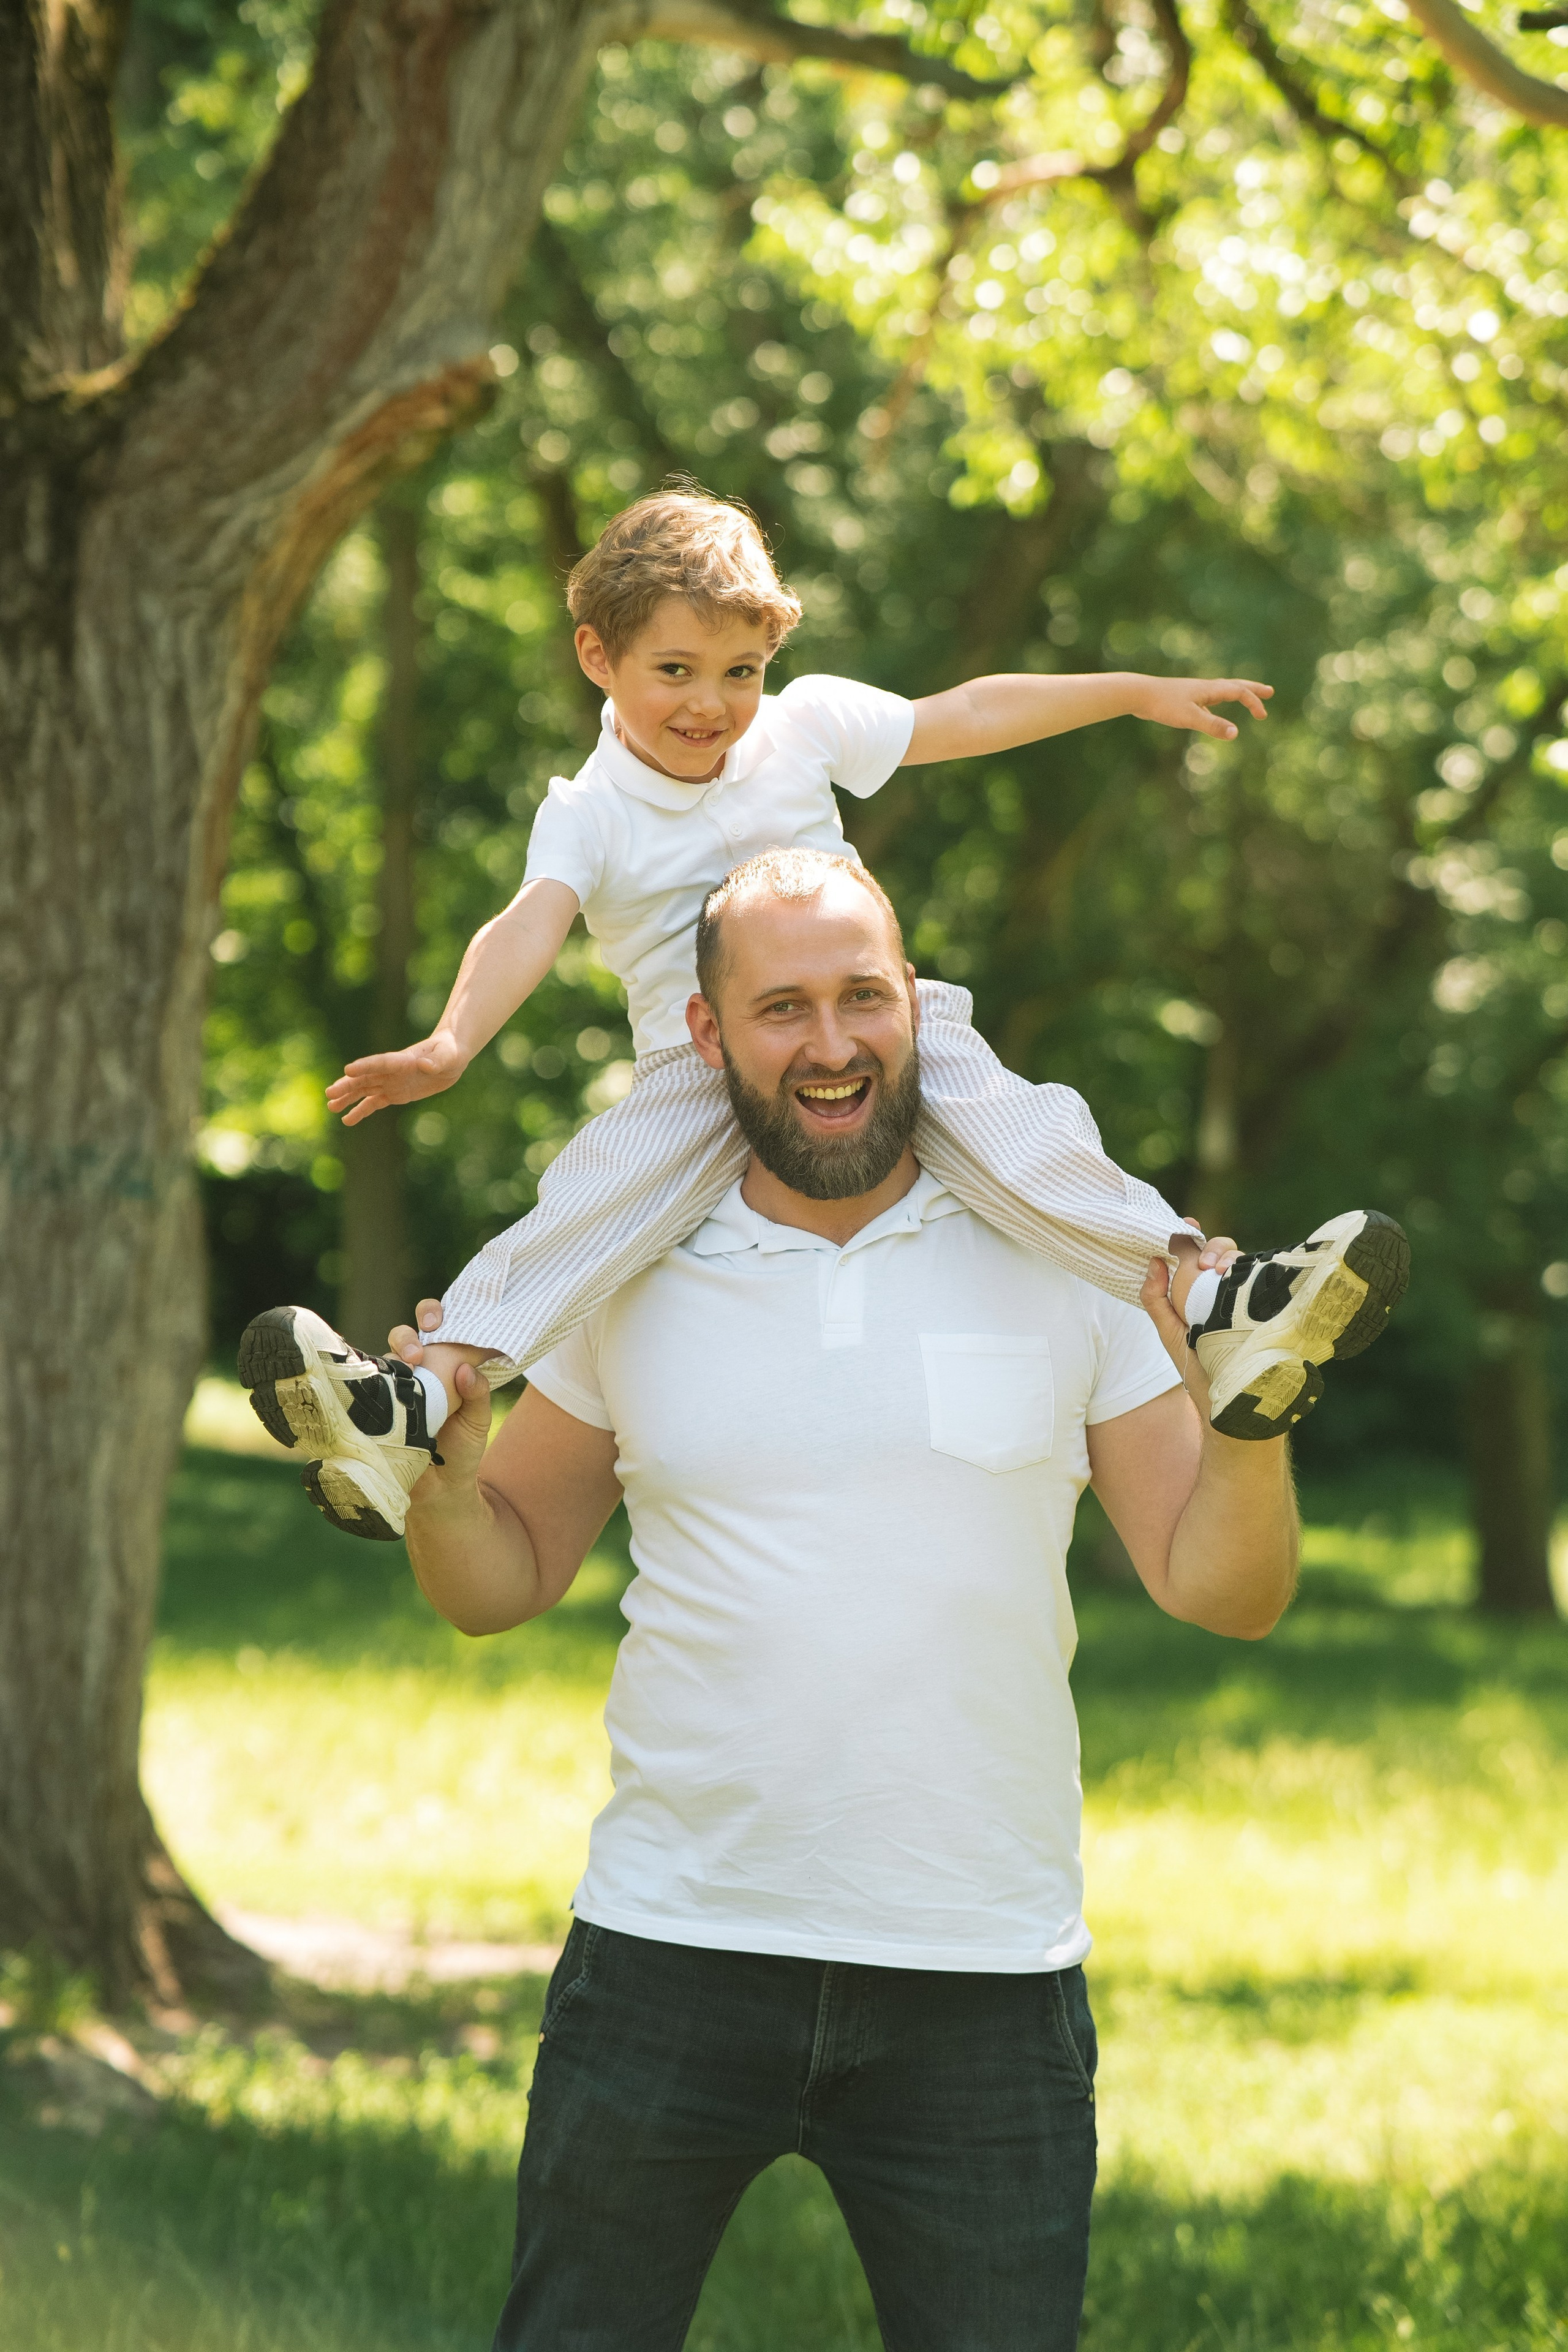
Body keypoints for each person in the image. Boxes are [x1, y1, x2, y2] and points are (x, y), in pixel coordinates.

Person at [394, 854, 1313, 2350]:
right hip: (667, 1953)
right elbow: (504, 1578)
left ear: (917, 1006)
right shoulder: (625, 1266)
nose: (830, 1045)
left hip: (980, 1977)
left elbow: (1224, 1591)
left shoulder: (1071, 1260)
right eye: (781, 1009)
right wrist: (443, 1486)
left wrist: (1250, 1425)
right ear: (707, 1037)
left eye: (859, 998)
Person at [238, 491, 1408, 1538]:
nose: (713, 705)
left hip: (870, 1021)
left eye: (739, 671)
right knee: (589, 1204)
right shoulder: (589, 812)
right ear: (598, 656)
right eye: (677, 672)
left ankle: (1215, 1299)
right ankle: (421, 1397)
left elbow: (969, 713)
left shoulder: (804, 727)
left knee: (1029, 1132)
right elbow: (529, 923)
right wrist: (452, 1045)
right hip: (702, 1067)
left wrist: (1130, 695)